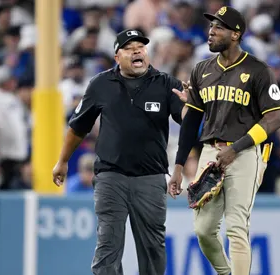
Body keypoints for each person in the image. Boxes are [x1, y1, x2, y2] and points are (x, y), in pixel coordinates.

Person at [52, 29, 187, 275]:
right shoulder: (101, 84)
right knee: (108, 246)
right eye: (129, 47)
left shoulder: (167, 84)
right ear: (117, 57)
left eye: (141, 46)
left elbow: (187, 123)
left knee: (153, 248)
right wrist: (62, 161)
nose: (137, 50)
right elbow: (78, 127)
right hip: (110, 176)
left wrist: (192, 107)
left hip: (151, 176)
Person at [168, 6, 280, 275]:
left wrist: (238, 147)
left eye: (218, 27)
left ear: (236, 34)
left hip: (245, 154)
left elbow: (274, 120)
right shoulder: (202, 70)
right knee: (203, 230)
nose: (211, 32)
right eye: (211, 26)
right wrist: (177, 167)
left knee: (236, 227)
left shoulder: (258, 70)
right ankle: (225, 272)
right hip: (210, 153)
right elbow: (191, 122)